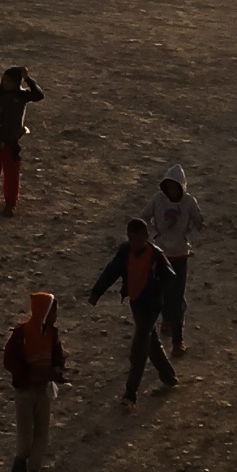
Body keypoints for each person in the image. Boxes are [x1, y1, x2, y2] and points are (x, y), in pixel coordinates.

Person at [88, 218, 178, 408]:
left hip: (151, 306)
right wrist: (97, 292)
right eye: (131, 239)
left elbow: (169, 277)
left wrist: (157, 292)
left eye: (138, 239)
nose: (135, 243)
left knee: (139, 347)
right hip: (136, 302)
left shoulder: (156, 255)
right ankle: (169, 377)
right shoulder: (125, 251)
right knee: (150, 340)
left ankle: (130, 394)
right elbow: (111, 271)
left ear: (146, 237)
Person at [2, 290, 67, 472]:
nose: (55, 315)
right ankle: (21, 458)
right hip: (25, 390)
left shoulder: (52, 334)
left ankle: (34, 471)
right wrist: (27, 377)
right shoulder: (21, 334)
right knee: (26, 433)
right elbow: (10, 360)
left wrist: (56, 370)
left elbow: (58, 357)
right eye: (52, 311)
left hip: (43, 389)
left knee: (42, 432)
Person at [142, 163, 205, 360]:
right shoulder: (158, 200)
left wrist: (187, 237)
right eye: (169, 186)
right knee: (160, 293)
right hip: (160, 254)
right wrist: (155, 235)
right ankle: (167, 318)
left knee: (176, 297)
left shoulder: (188, 202)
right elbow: (144, 218)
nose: (172, 190)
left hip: (180, 255)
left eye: (175, 186)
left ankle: (178, 340)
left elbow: (199, 222)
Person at [0, 66, 44, 216]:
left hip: (11, 142)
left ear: (16, 83)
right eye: (4, 80)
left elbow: (39, 95)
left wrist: (28, 79)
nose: (5, 83)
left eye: (8, 81)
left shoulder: (22, 95)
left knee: (11, 175)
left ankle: (10, 205)